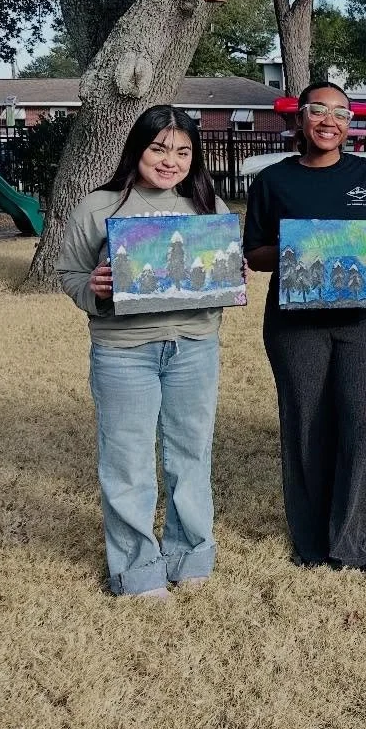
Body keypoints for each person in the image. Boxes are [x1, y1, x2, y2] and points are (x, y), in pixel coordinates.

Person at [58, 105, 232, 600]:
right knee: (127, 460)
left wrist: (230, 274)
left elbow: (218, 277)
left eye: (183, 152)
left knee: (191, 454)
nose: (170, 161)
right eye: (159, 148)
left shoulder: (208, 206)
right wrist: (93, 288)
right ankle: (137, 570)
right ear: (137, 149)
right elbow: (70, 274)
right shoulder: (99, 206)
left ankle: (189, 555)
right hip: (123, 353)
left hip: (194, 347)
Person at [243, 80, 366, 573]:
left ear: (349, 124)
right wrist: (303, 246)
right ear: (300, 117)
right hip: (295, 325)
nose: (329, 121)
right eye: (318, 110)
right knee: (306, 424)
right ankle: (312, 540)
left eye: (340, 113)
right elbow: (254, 255)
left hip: (364, 321)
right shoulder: (273, 181)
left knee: (365, 426)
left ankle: (358, 540)